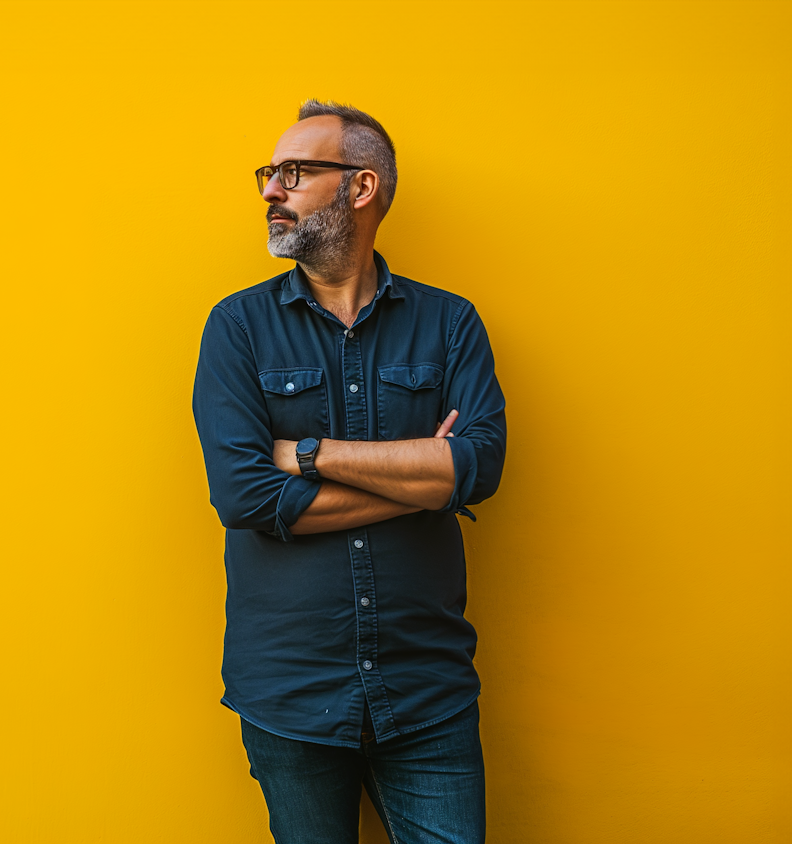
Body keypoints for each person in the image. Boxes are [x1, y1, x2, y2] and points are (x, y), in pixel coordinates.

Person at [191, 100, 508, 844]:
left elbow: (480, 465)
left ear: (360, 189)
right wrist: (425, 484)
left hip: (427, 696)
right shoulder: (236, 327)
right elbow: (243, 494)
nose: (271, 190)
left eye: (294, 173)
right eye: (268, 173)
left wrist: (308, 454)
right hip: (291, 698)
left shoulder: (450, 324)